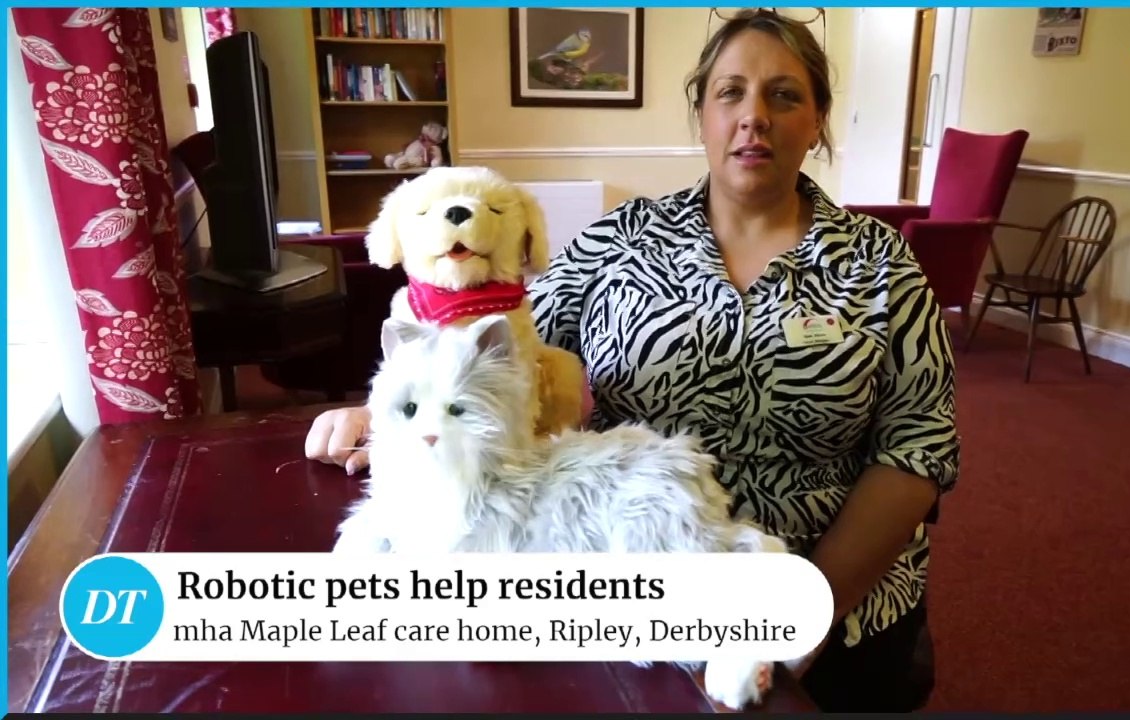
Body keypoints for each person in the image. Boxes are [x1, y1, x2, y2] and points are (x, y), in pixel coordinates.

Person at [305, 8, 959, 712]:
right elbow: (492, 349)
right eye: (730, 93)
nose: (754, 117)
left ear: (818, 119)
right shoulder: (621, 241)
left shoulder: (880, 263)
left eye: (784, 95)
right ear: (702, 114)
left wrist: (803, 614)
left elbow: (915, 453)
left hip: (837, 609)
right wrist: (383, 410)